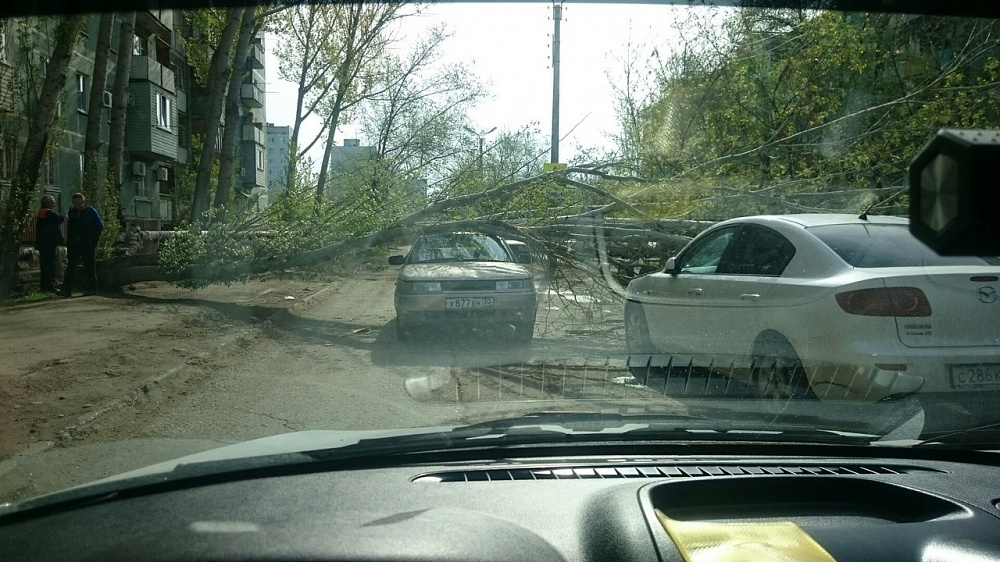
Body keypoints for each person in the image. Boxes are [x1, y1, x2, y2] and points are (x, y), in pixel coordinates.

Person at [59, 193, 103, 297]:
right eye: (74, 203)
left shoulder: (91, 212)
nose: (76, 205)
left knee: (89, 266)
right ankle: (66, 289)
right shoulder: (72, 212)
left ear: (83, 202)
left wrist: (93, 241)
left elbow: (99, 227)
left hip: (88, 243)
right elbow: (70, 229)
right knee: (71, 266)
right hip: (74, 244)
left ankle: (91, 288)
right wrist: (69, 242)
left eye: (78, 203)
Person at [34, 195, 64, 293]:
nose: (54, 204)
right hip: (48, 244)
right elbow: (59, 218)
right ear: (47, 203)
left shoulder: (42, 212)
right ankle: (49, 286)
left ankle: (45, 286)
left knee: (46, 265)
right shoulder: (46, 212)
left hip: (44, 244)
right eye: (53, 202)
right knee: (49, 265)